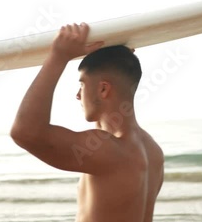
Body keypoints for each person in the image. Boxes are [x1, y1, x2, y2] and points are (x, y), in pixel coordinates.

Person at [10, 22, 164, 222]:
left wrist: (59, 57)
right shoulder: (153, 151)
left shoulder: (107, 150)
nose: (77, 95)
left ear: (103, 89)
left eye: (82, 85)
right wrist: (115, 53)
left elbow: (24, 132)